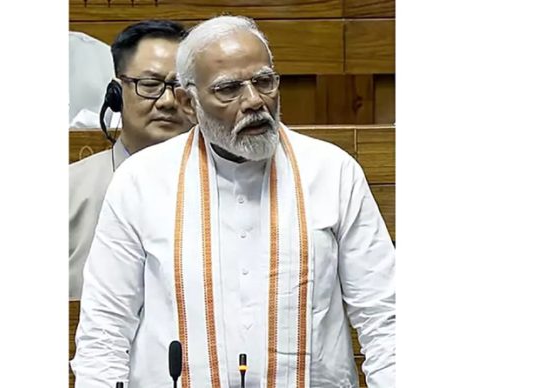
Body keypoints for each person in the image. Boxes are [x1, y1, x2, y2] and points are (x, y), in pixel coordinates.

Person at [72, 15, 395, 388]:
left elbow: (384, 318)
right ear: (188, 103)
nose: (255, 101)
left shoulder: (332, 172)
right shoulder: (140, 181)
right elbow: (105, 328)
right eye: (228, 89)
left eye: (264, 81)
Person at [69, 20, 193, 300]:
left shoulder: (228, 186)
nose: (167, 101)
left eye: (181, 86)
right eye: (150, 85)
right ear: (115, 94)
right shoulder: (70, 189)